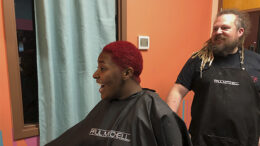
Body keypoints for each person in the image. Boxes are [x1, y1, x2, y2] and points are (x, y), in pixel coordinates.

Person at [46, 41, 192, 146]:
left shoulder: (157, 112)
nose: (95, 75)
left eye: (102, 68)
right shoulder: (103, 106)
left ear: (127, 73)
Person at [166, 9, 260, 146]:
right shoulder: (199, 60)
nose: (218, 32)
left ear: (240, 32)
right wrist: (169, 126)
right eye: (215, 28)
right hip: (203, 141)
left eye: (225, 28)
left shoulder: (256, 62)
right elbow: (177, 91)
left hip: (245, 141)